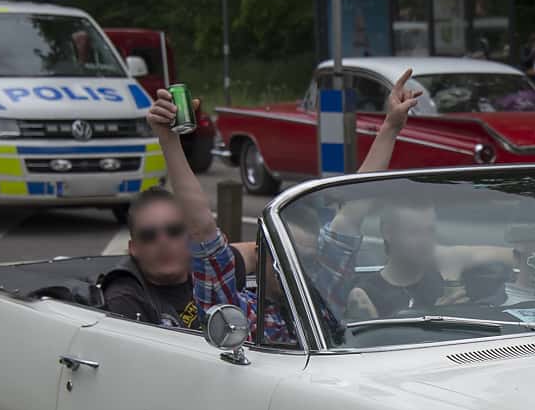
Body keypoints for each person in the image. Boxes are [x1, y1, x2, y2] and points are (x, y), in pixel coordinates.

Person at [146, 70, 423, 343]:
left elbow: (356, 205)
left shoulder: (322, 289)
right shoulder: (238, 311)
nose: (295, 270)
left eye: (306, 260)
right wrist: (169, 140)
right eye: (285, 259)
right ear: (261, 256)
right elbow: (201, 227)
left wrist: (391, 126)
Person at [100, 190, 219, 330]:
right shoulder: (124, 299)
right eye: (149, 236)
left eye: (173, 230)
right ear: (134, 249)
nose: (163, 242)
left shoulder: (207, 269)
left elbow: (247, 253)